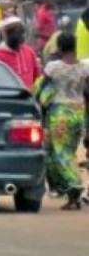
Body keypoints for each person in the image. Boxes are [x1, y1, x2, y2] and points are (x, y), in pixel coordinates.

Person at [41, 32, 88, 209]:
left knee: (61, 153)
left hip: (60, 113)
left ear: (59, 47)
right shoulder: (84, 68)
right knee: (69, 152)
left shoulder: (53, 67)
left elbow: (44, 88)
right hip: (78, 112)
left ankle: (74, 185)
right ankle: (71, 196)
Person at [0, 17, 42, 90]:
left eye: (21, 33)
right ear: (7, 34)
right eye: (17, 33)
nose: (21, 37)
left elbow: (37, 75)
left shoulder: (29, 51)